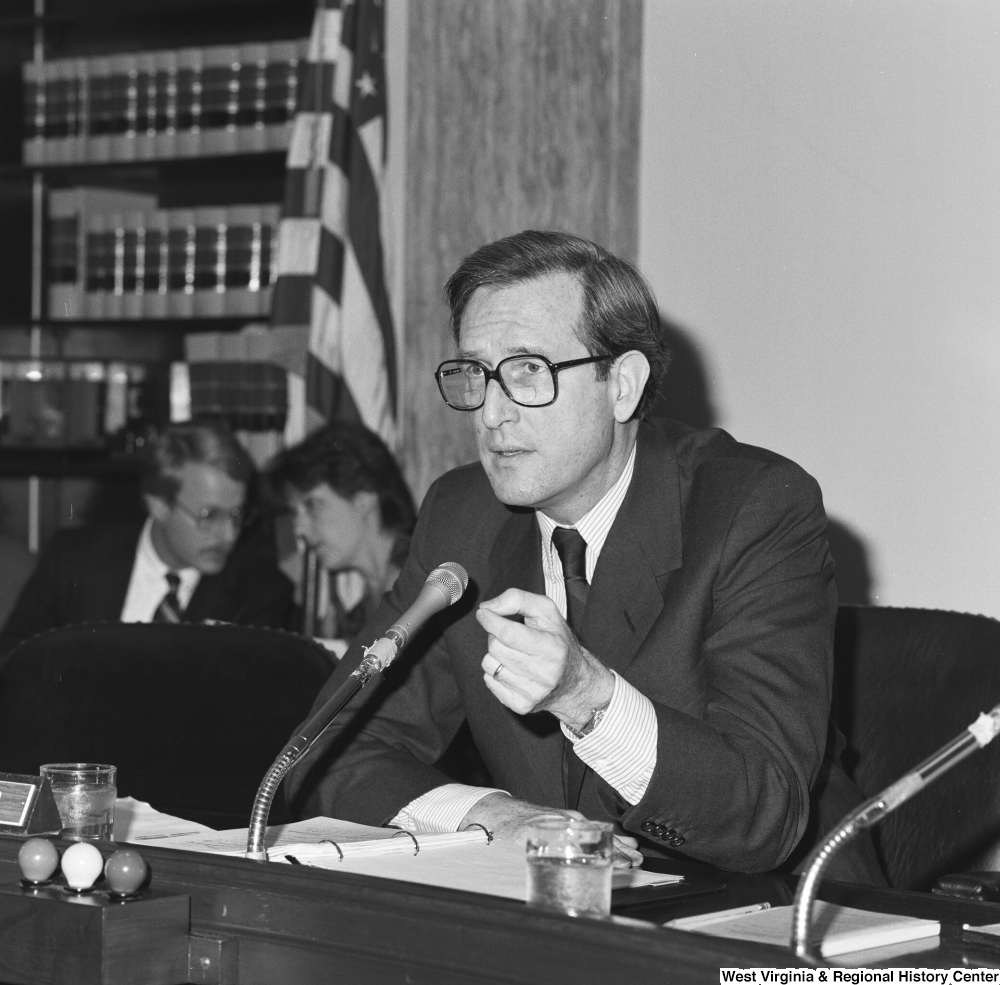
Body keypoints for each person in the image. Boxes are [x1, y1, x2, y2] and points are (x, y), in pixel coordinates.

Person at [285, 230, 882, 882]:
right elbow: (332, 749)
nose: (491, 412)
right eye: (475, 373)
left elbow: (763, 814)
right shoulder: (463, 517)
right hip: (571, 914)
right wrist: (492, 816)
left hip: (781, 915)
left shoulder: (754, 508)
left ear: (621, 386)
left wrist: (587, 697)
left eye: (527, 371)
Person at [0, 419, 293, 657]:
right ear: (159, 505)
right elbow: (14, 662)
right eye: (209, 516)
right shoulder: (74, 560)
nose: (229, 534)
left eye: (237, 515)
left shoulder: (261, 591)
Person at [268, 422, 417, 641]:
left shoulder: (420, 581)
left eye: (312, 505)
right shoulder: (358, 616)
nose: (299, 528)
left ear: (364, 499)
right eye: (294, 512)